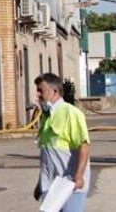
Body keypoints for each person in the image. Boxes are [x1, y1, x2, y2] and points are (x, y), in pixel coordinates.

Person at [34, 72, 90, 212]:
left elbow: (84, 146)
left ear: (54, 91)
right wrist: (40, 184)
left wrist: (79, 176)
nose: (38, 95)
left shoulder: (71, 113)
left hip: (69, 185)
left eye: (41, 90)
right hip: (52, 187)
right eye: (38, 91)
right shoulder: (46, 116)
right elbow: (47, 156)